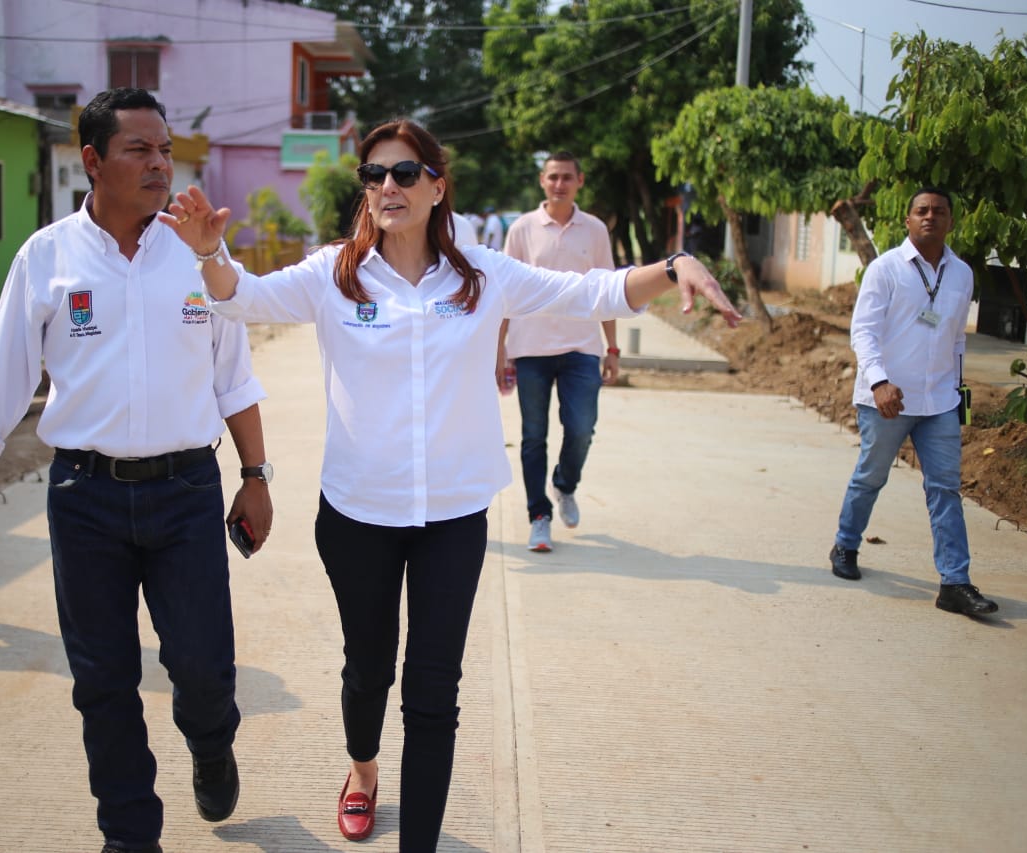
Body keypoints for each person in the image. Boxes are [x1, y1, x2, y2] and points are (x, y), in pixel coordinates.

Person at [158, 119, 740, 851]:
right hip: (358, 515)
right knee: (368, 671)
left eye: (404, 173)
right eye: (374, 175)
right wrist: (210, 252)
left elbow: (589, 288)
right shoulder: (333, 273)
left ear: (437, 186)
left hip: (454, 519)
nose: (387, 187)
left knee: (434, 692)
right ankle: (363, 769)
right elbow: (239, 295)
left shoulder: (484, 276)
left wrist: (674, 263)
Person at [0, 88, 274, 853]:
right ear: (92, 160)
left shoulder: (198, 254)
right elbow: (2, 379)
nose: (161, 166)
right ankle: (129, 834)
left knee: (203, 667)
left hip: (187, 491)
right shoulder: (48, 258)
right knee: (103, 680)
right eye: (140, 151)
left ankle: (211, 739)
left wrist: (255, 475)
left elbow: (234, 375)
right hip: (84, 497)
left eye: (165, 151)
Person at [828, 186, 997, 616]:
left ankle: (955, 582)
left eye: (939, 211)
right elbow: (862, 332)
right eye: (921, 210)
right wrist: (880, 382)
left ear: (950, 221)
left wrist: (960, 396)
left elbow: (957, 337)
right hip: (887, 400)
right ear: (907, 220)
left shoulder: (962, 273)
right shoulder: (885, 270)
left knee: (945, 489)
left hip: (939, 400)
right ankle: (846, 546)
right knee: (871, 476)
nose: (929, 217)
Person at [496, 151, 626, 552]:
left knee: (582, 429)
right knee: (533, 436)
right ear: (542, 180)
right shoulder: (521, 229)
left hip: (582, 348)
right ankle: (539, 516)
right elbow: (504, 292)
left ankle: (564, 485)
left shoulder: (595, 230)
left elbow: (607, 292)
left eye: (567, 177)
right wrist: (499, 351)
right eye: (553, 177)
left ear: (579, 182)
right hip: (531, 348)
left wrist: (613, 348)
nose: (559, 184)